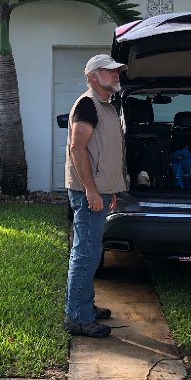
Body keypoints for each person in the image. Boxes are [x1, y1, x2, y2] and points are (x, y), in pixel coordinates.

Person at [63, 54, 129, 337]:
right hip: (87, 191)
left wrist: (109, 188)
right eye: (109, 70)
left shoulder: (106, 105)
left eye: (117, 71)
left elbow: (106, 152)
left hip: (100, 189)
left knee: (91, 251)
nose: (116, 74)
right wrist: (91, 190)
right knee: (86, 253)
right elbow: (78, 148)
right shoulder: (87, 105)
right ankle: (77, 317)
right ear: (92, 76)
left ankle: (84, 306)